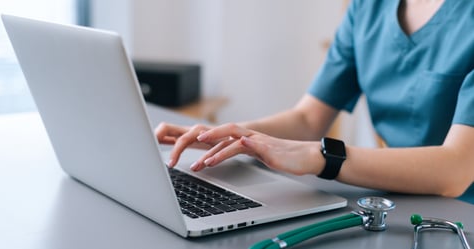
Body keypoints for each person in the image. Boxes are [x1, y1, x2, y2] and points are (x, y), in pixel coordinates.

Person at [155, 0, 474, 204]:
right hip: (394, 198)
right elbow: (309, 119)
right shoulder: (367, 8)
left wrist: (322, 157)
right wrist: (233, 135)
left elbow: (455, 171)